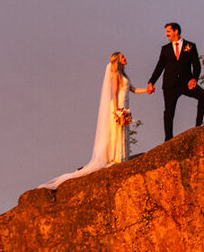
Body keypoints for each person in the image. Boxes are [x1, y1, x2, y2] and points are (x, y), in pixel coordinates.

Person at [41, 52, 146, 190]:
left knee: (123, 132)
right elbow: (114, 94)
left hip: (125, 107)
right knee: (117, 133)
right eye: (122, 57)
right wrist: (117, 111)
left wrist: (146, 90)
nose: (125, 58)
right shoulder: (115, 75)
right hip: (119, 107)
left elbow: (133, 89)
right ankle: (116, 158)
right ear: (118, 61)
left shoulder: (124, 75)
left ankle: (123, 158)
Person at [146, 22, 204, 140]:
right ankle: (168, 139)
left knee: (203, 96)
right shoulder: (165, 49)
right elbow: (159, 67)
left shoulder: (191, 46)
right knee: (169, 112)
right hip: (170, 85)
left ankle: (198, 126)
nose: (166, 34)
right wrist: (151, 82)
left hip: (186, 83)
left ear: (176, 31)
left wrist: (194, 79)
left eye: (168, 31)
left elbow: (196, 65)